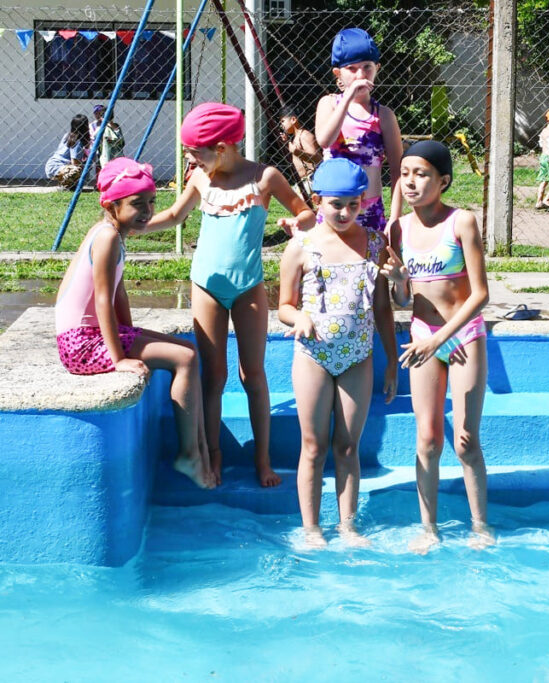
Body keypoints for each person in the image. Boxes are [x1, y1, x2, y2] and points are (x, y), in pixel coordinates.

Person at [143, 102, 316, 488]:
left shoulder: (265, 177)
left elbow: (305, 213)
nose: (189, 159)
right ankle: (212, 454)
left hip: (248, 287)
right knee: (214, 375)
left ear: (221, 147)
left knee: (252, 374)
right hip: (206, 285)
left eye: (194, 152)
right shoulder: (201, 179)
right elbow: (174, 216)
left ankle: (263, 458)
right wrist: (132, 228)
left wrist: (295, 222)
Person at [54, 157, 215, 490]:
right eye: (137, 204)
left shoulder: (113, 233)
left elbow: (119, 295)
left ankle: (198, 450)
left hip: (90, 335)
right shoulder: (107, 238)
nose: (147, 211)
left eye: (152, 202)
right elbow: (102, 300)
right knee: (184, 359)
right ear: (112, 205)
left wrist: (132, 333)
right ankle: (189, 455)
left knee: (187, 348)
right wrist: (120, 357)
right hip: (80, 344)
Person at [278, 157, 398, 549]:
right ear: (317, 201)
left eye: (353, 203)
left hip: (358, 357)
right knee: (313, 445)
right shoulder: (301, 247)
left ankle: (348, 526)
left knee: (348, 446)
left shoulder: (376, 244)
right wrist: (298, 318)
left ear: (363, 201)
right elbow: (282, 306)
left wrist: (392, 362)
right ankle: (312, 528)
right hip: (313, 355)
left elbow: (384, 307)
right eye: (336, 204)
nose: (345, 212)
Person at [381, 141, 493, 553]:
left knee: (465, 439)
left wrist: (440, 339)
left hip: (461, 335)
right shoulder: (397, 230)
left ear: (443, 181)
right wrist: (397, 281)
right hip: (422, 335)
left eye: (422, 174)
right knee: (427, 439)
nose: (411, 181)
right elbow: (404, 303)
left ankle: (480, 526)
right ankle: (429, 529)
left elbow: (480, 294)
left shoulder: (462, 222)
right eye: (406, 173)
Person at [315, 27, 404, 233]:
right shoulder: (329, 104)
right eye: (352, 69)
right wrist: (347, 97)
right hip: (333, 209)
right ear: (338, 73)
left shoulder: (383, 115)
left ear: (377, 68)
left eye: (367, 67)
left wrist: (395, 217)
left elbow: (397, 170)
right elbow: (324, 140)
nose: (361, 75)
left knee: (370, 263)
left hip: (370, 211)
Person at [279, 106, 321, 198]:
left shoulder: (304, 135)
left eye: (283, 121)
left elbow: (317, 158)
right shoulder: (296, 138)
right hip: (303, 181)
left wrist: (297, 152)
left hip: (312, 179)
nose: (281, 125)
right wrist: (287, 144)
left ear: (293, 119)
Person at [45, 114, 90, 189]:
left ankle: (66, 183)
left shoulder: (68, 135)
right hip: (59, 166)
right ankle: (66, 184)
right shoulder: (77, 141)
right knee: (80, 170)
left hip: (51, 164)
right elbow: (74, 162)